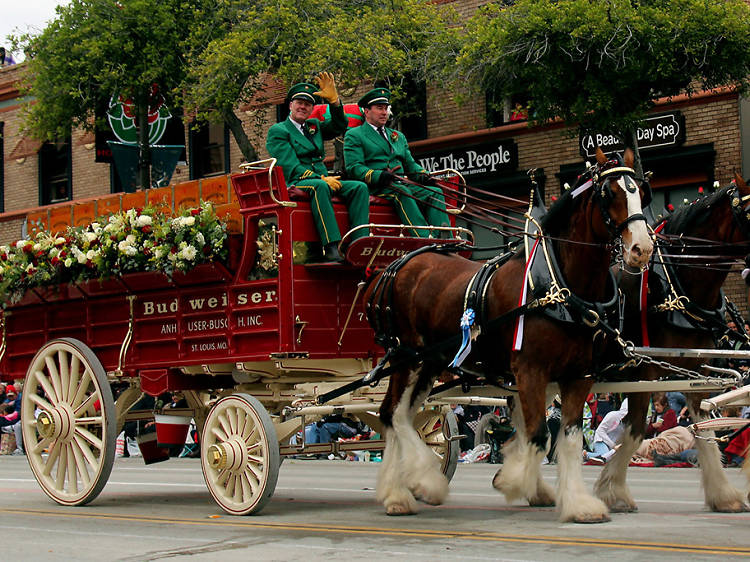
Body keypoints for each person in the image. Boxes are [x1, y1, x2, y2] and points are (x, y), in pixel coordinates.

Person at [266, 72, 370, 263]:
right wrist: (321, 178)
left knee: (359, 187)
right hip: (296, 181)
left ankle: (360, 241)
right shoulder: (279, 131)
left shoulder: (314, 126)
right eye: (299, 103)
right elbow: (289, 166)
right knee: (319, 186)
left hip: (322, 178)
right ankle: (331, 246)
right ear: (290, 105)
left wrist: (335, 102)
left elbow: (340, 125)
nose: (303, 107)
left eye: (308, 104)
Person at [343, 87, 450, 238]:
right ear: (367, 111)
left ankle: (445, 236)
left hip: (400, 183)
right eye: (379, 108)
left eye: (386, 108)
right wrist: (378, 175)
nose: (384, 112)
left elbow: (410, 164)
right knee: (403, 193)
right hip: (377, 186)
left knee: (435, 192)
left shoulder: (397, 136)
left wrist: (424, 175)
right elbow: (354, 167)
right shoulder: (355, 135)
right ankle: (425, 237)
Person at [584, 398, 628, 463]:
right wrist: (613, 446)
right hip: (601, 441)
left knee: (612, 457)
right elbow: (600, 431)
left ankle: (595, 457)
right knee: (607, 457)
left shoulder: (629, 424)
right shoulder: (612, 415)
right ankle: (586, 454)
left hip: (613, 447)